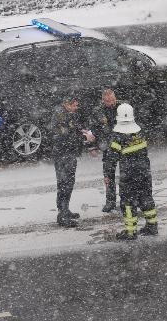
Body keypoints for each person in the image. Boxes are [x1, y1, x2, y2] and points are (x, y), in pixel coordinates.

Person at [107, 103, 158, 241]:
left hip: (128, 175)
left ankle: (130, 232)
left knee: (128, 202)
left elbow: (111, 159)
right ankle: (152, 226)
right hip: (145, 172)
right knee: (146, 197)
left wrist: (108, 175)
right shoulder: (140, 132)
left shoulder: (118, 136)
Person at [49, 92, 89, 228]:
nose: (76, 108)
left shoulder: (68, 114)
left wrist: (83, 132)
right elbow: (63, 134)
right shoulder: (60, 114)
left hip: (68, 153)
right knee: (65, 184)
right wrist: (82, 137)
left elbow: (73, 127)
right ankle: (63, 215)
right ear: (67, 104)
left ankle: (65, 210)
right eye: (74, 105)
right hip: (63, 154)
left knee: (67, 183)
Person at [86, 88, 119, 212]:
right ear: (103, 100)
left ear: (115, 97)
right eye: (108, 100)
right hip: (109, 147)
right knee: (108, 176)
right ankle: (110, 202)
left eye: (112, 99)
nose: (111, 102)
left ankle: (129, 199)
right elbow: (91, 130)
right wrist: (91, 147)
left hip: (124, 145)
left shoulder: (123, 107)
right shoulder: (98, 111)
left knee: (128, 175)